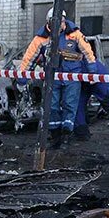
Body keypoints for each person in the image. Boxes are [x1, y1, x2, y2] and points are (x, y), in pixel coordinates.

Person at [19, 8, 95, 148]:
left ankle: (66, 136)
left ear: (64, 21)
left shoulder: (74, 34)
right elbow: (29, 58)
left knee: (70, 105)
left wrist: (92, 71)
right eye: (55, 22)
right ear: (48, 22)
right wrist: (22, 77)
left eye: (61, 21)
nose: (59, 25)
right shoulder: (41, 38)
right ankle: (55, 136)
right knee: (51, 106)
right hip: (52, 77)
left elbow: (88, 52)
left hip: (72, 76)